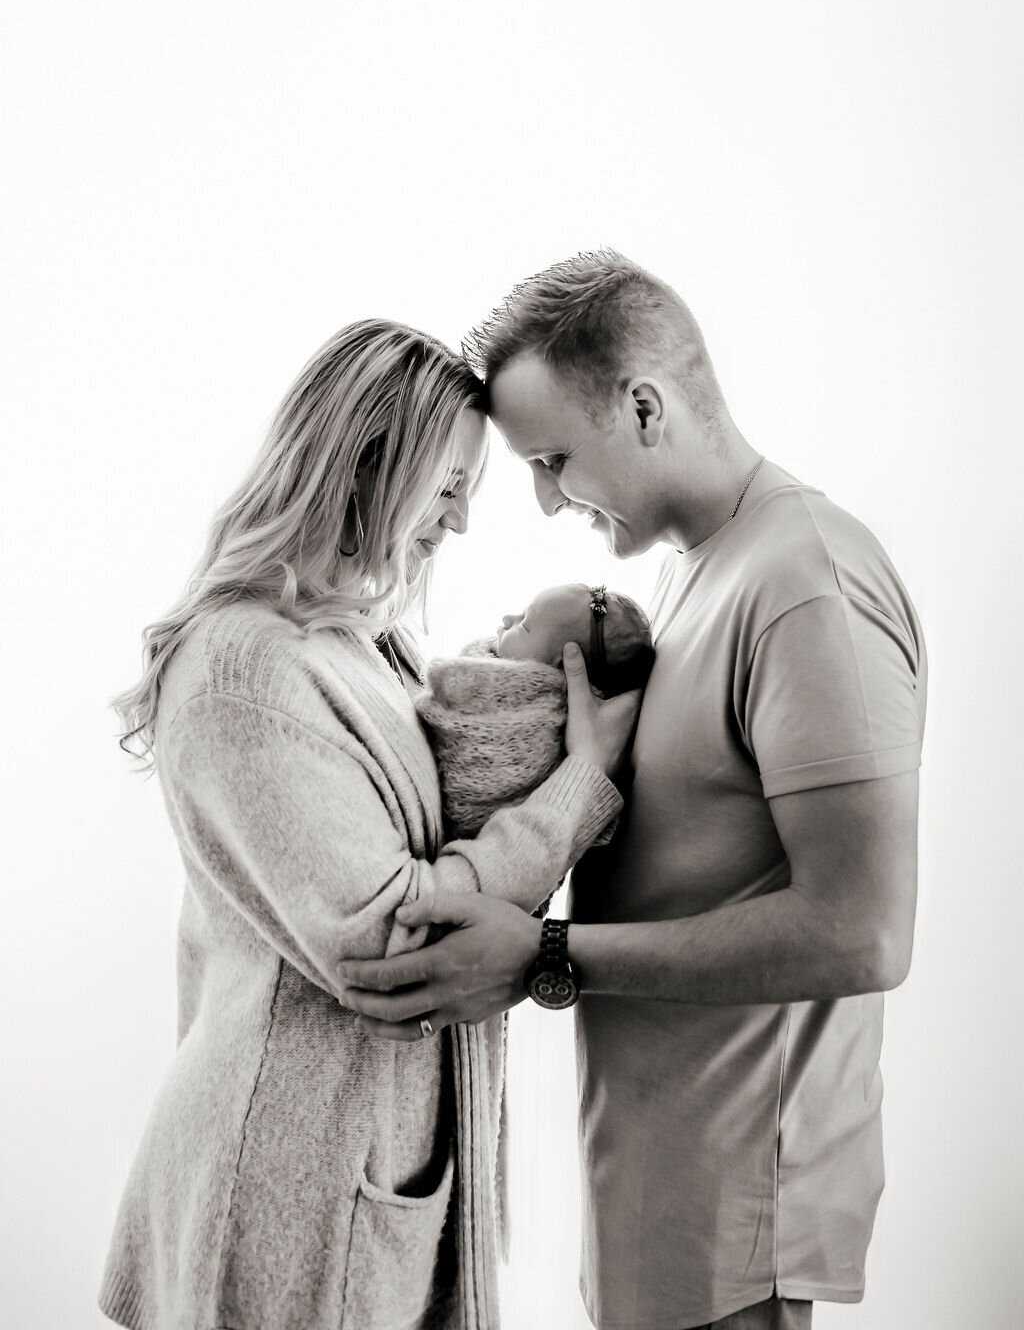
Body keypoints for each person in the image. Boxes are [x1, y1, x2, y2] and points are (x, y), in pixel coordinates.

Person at [338, 254, 927, 1330]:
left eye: (553, 458)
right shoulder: (693, 568)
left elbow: (863, 934)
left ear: (644, 408)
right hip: (658, 1183)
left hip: (736, 1218)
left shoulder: (806, 586)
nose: (544, 497)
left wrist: (544, 958)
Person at [98, 318, 641, 1330]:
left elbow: (443, 833)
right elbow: (399, 941)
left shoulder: (361, 644)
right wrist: (581, 782)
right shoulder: (244, 669)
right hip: (280, 1194)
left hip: (364, 1161)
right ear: (361, 464)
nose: (462, 522)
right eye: (448, 486)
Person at [419, 582, 654, 838]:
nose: (508, 619)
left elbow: (493, 778)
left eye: (525, 625)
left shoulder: (540, 724)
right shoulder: (482, 666)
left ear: (561, 665)